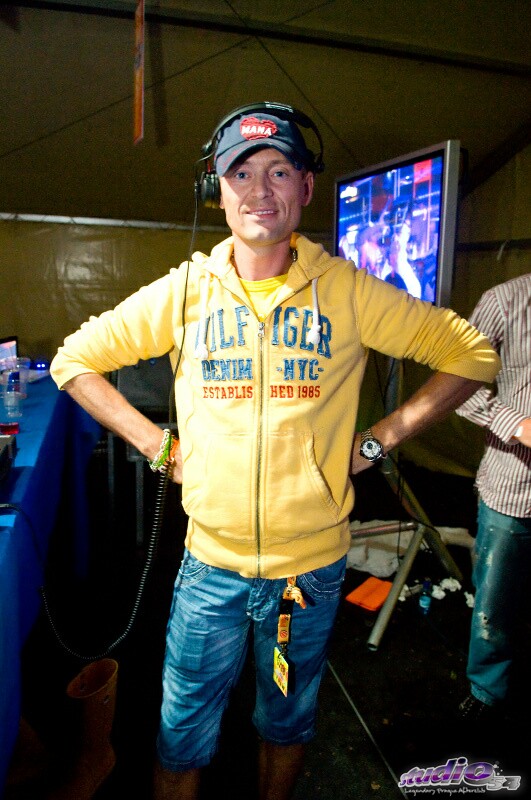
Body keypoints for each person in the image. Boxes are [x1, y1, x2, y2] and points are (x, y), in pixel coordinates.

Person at [49, 102, 500, 800]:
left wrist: (381, 439)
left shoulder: (346, 291)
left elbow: (471, 354)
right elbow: (74, 361)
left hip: (307, 579)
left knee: (285, 725)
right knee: (180, 736)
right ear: (217, 190)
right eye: (241, 173)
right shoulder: (185, 292)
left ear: (306, 187)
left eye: (279, 171)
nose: (260, 190)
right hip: (210, 570)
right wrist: (156, 444)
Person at [455, 273, 531, 724]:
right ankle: (487, 689)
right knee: (495, 606)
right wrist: (518, 425)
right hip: (514, 488)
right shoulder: (505, 301)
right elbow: (459, 386)